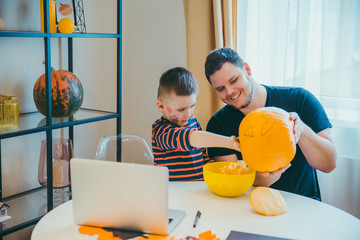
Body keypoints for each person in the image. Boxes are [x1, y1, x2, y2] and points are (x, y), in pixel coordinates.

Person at [204, 47, 337, 200]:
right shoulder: (218, 125)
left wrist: (301, 130)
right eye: (220, 89)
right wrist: (264, 179)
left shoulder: (300, 100)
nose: (230, 92)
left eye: (234, 80)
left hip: (304, 204)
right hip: (249, 207)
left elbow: (329, 164)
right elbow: (235, 183)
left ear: (247, 69)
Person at [152, 67, 241, 181]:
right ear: (161, 106)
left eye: (192, 106)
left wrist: (218, 171)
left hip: (198, 188)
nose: (188, 114)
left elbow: (202, 157)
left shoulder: (193, 122)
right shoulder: (161, 131)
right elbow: (190, 138)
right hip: (173, 192)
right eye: (181, 109)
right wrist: (231, 143)